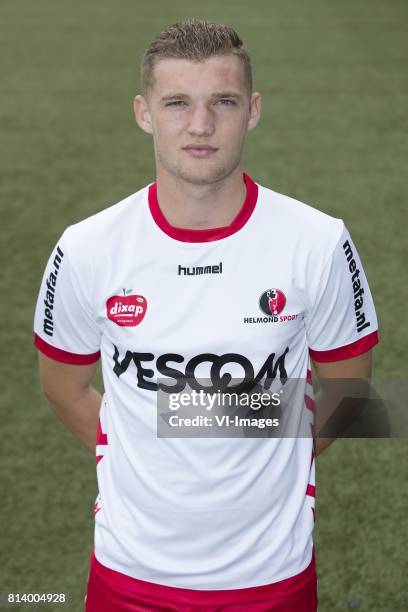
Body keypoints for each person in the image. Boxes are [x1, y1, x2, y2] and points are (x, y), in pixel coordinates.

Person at [33, 19, 379, 612]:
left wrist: (249, 436)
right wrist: (146, 446)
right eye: (177, 103)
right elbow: (65, 388)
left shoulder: (317, 242)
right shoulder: (87, 248)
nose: (200, 124)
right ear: (144, 112)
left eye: (223, 101)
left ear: (253, 110)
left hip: (273, 576)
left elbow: (349, 389)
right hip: (127, 574)